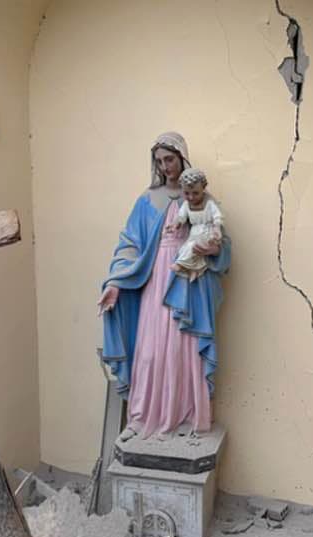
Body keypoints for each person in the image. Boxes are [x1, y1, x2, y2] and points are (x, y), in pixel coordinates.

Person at [97, 132, 232, 439]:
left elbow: (223, 243)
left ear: (182, 158)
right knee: (149, 351)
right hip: (156, 277)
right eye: (159, 161)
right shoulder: (147, 200)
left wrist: (213, 249)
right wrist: (115, 283)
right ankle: (141, 416)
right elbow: (130, 244)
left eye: (169, 159)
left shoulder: (201, 198)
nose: (165, 166)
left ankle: (186, 416)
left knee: (182, 352)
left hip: (189, 281)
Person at [169, 168, 223, 281]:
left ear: (203, 189)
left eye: (195, 193)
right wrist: (175, 224)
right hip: (194, 233)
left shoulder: (209, 204)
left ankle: (180, 265)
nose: (191, 197)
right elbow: (181, 217)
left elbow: (217, 216)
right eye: (186, 193)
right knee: (185, 249)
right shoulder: (186, 205)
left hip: (207, 232)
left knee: (193, 247)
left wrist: (217, 228)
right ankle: (194, 270)